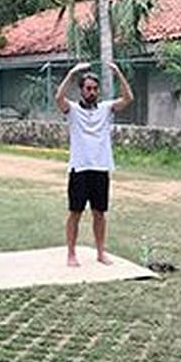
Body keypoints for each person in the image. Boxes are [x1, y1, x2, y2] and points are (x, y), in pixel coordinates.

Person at [55, 61, 134, 267]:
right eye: (88, 88)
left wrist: (117, 72)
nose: (92, 92)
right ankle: (71, 254)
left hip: (100, 168)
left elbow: (128, 98)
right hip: (79, 168)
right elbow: (59, 98)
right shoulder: (72, 109)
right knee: (75, 212)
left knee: (99, 212)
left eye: (95, 89)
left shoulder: (106, 108)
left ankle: (100, 252)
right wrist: (72, 73)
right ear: (81, 90)